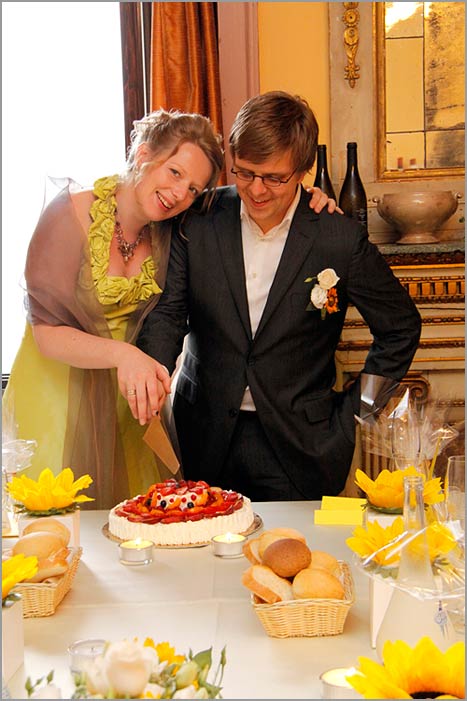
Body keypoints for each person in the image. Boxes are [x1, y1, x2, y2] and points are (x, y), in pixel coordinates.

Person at [3, 106, 334, 509]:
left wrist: (306, 199)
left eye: (194, 188)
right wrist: (125, 354)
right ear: (144, 156)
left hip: (131, 399)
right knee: (55, 528)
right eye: (174, 173)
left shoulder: (173, 228)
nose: (180, 193)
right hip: (57, 395)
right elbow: (46, 335)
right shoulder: (68, 215)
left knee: (137, 531)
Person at [136, 91, 422, 501]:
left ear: (304, 170)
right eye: (245, 172)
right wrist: (151, 377)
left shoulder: (336, 237)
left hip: (304, 446)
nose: (257, 190)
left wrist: (358, 411)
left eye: (275, 177)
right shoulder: (197, 220)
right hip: (203, 436)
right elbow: (168, 315)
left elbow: (401, 328)